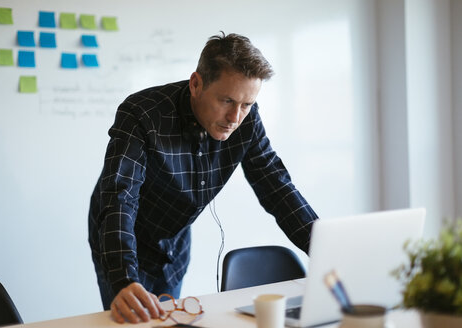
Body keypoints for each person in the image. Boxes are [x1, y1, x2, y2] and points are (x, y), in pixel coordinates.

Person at [88, 32, 319, 324]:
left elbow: (278, 187)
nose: (235, 117)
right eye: (226, 100)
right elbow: (120, 198)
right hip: (122, 238)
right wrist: (123, 278)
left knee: (166, 321)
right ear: (196, 84)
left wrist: (325, 253)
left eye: (246, 104)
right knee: (134, 320)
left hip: (175, 239)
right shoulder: (141, 114)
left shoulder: (247, 118)